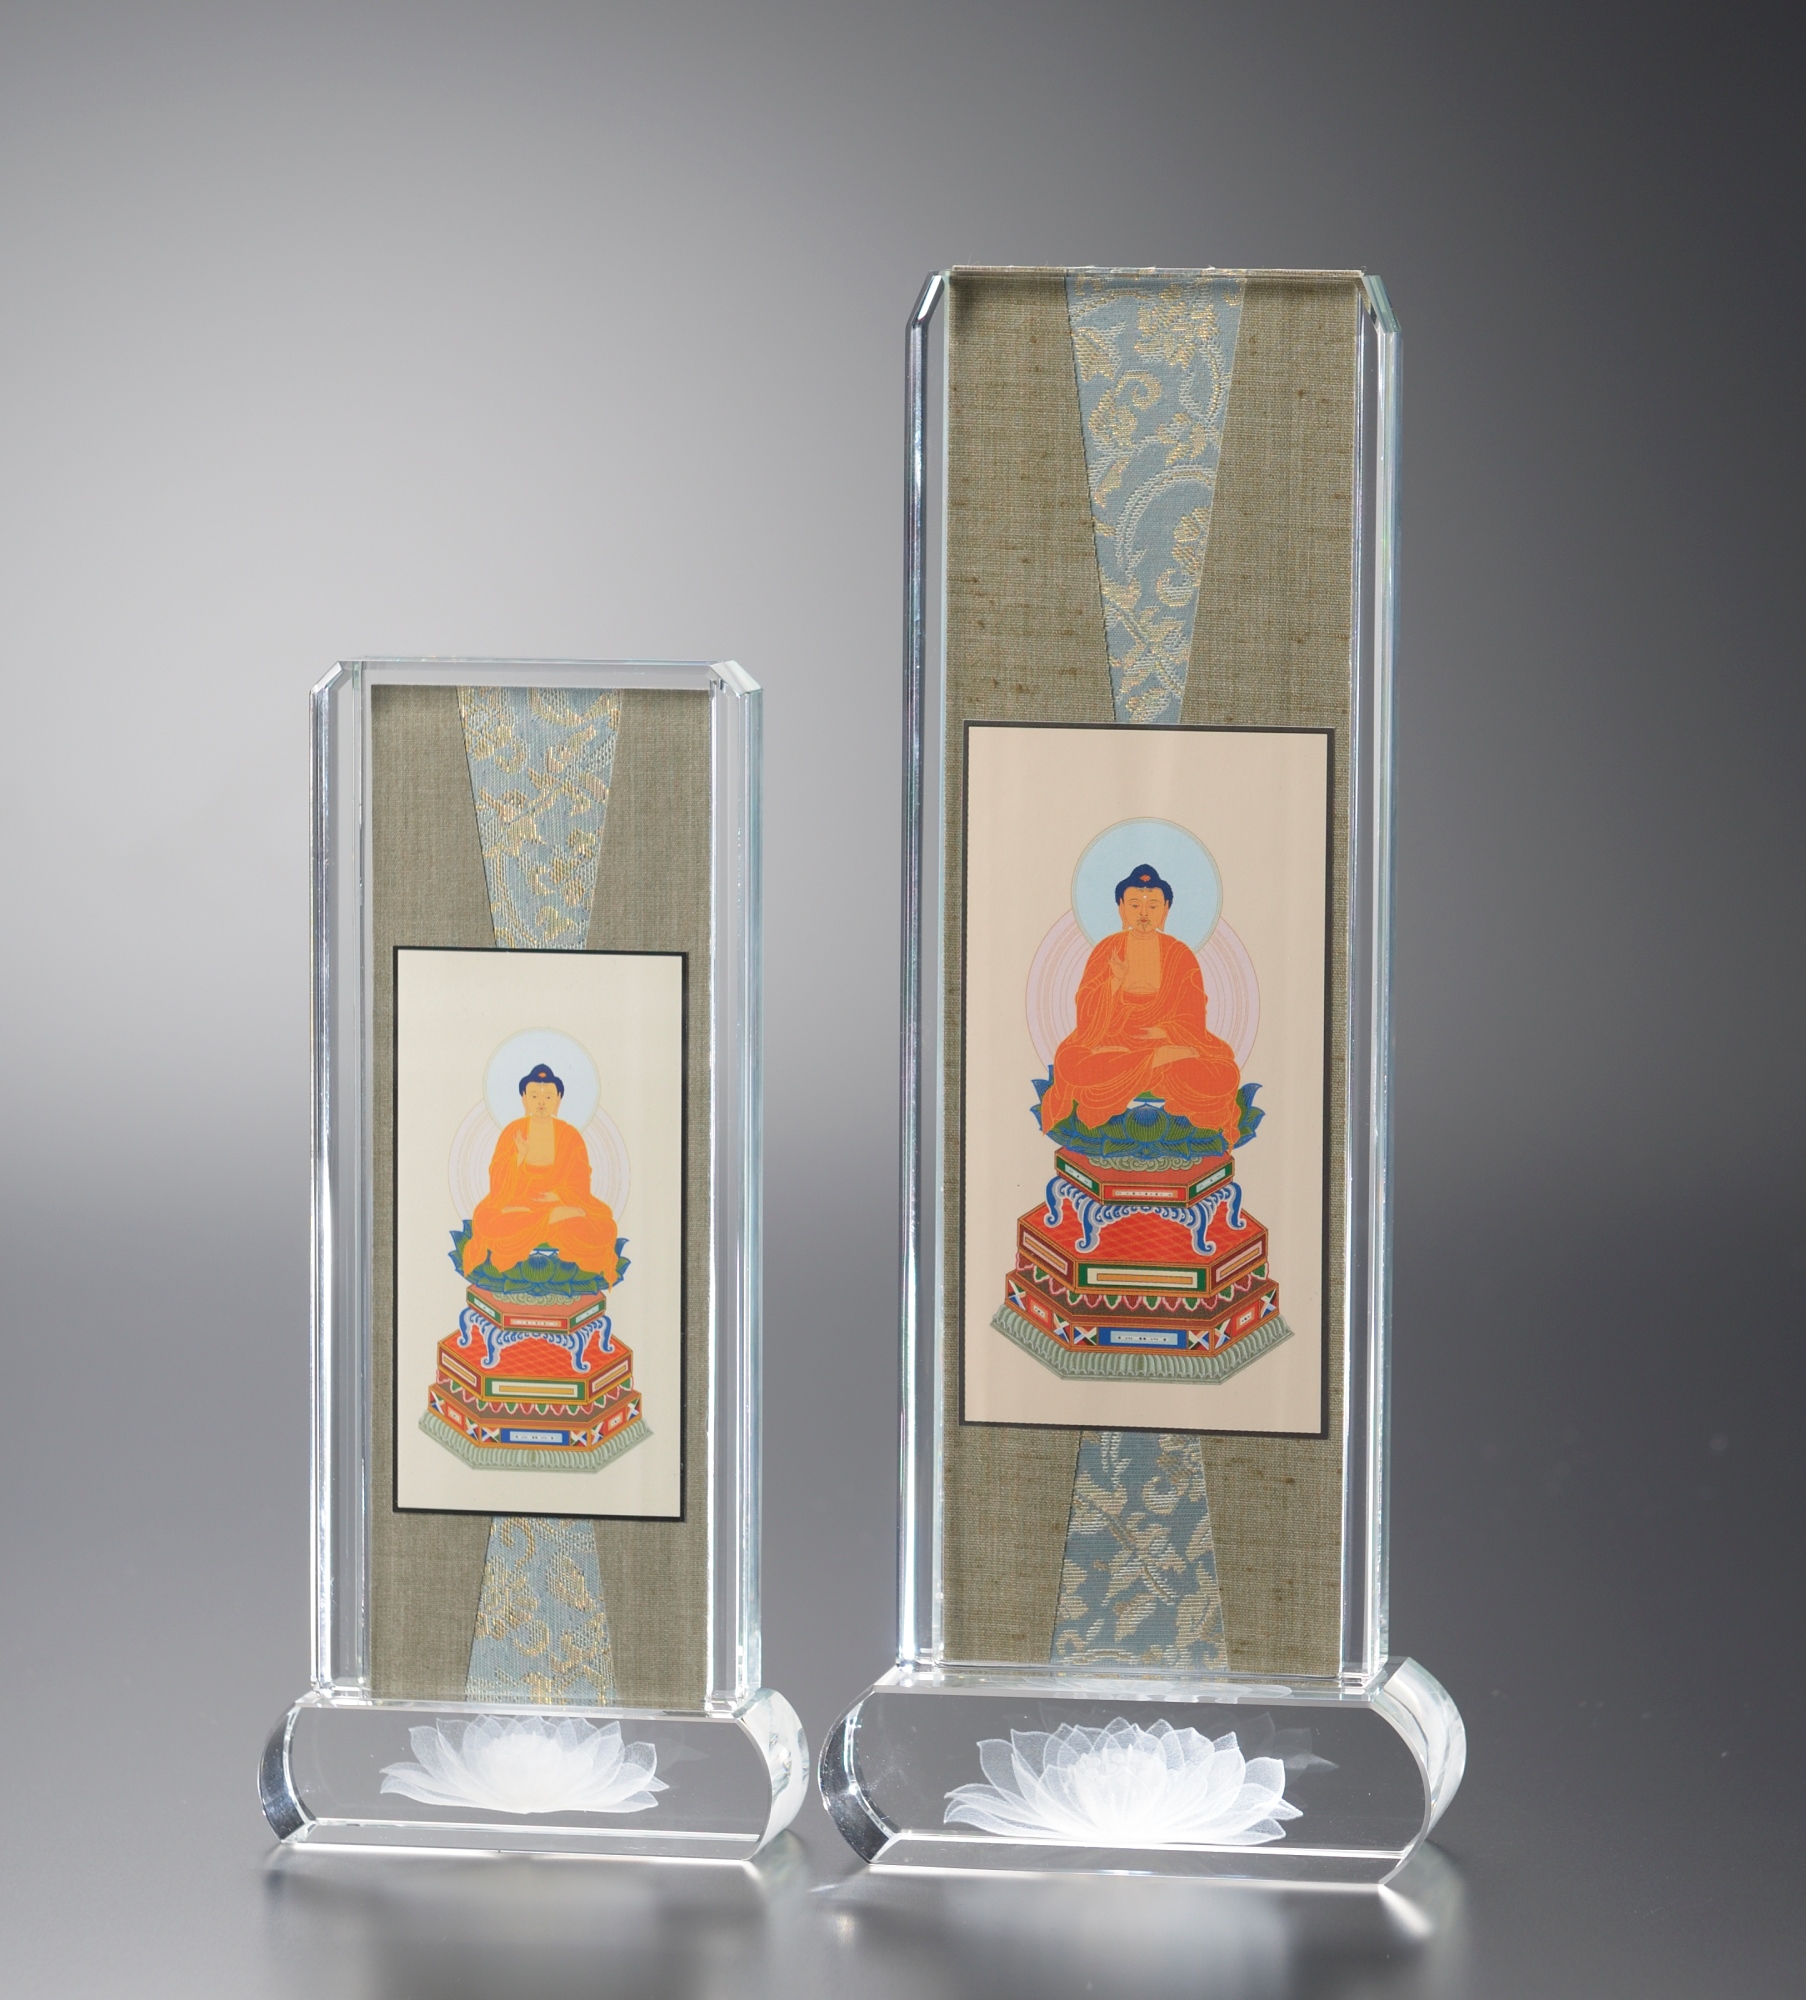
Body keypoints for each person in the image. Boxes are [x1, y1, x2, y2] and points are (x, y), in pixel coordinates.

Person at [1039, 862, 1242, 1139]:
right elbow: (1087, 1013)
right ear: (1121, 908)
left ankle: (1153, 1060)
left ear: (1166, 909)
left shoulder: (1179, 954)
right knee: (1069, 1062)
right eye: (1135, 905)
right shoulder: (1107, 949)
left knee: (1225, 1072)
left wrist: (1164, 1032)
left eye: (1153, 905)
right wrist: (1115, 982)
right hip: (1116, 1039)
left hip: (1168, 1042)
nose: (1144, 913)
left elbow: (1193, 1016)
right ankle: (1154, 1061)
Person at [461, 1063, 621, 1281]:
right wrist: (519, 1157)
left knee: (605, 1227)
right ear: (524, 1099)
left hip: (559, 1203)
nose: (541, 1103)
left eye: (548, 1097)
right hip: (521, 1202)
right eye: (535, 1096)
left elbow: (580, 1182)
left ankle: (548, 1218)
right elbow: (498, 1181)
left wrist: (558, 1196)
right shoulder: (513, 1132)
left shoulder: (570, 1136)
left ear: (559, 1099)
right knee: (484, 1219)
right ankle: (551, 1219)